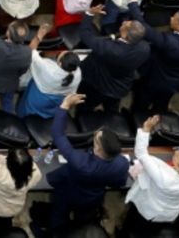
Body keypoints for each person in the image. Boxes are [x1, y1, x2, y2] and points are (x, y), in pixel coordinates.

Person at [47, 94, 130, 233]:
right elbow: (119, 183)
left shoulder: (80, 162)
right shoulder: (122, 163)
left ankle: (56, 231)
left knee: (58, 214)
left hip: (67, 193)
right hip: (93, 198)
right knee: (84, 217)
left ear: (98, 147)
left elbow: (58, 134)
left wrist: (65, 106)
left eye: (96, 138)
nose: (96, 133)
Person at [123, 114, 179, 233]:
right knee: (152, 231)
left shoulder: (164, 177)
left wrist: (146, 129)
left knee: (135, 226)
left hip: (148, 209)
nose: (178, 151)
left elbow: (141, 153)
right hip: (168, 214)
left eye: (177, 156)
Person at [127, 0, 179, 115]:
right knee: (160, 107)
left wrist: (133, 1)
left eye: (174, 18)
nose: (171, 18)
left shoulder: (168, 41)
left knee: (140, 106)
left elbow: (144, 27)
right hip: (174, 83)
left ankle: (135, 121)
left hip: (152, 80)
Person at [76, 7, 151, 112]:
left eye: (126, 24)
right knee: (111, 109)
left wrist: (89, 13)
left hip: (98, 86)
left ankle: (82, 122)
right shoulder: (145, 47)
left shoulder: (108, 48)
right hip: (120, 88)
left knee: (85, 107)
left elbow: (85, 34)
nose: (124, 22)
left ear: (125, 34)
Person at [16, 26, 81, 118]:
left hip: (40, 96)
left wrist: (38, 36)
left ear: (60, 63)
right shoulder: (78, 73)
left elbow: (30, 51)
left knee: (27, 112)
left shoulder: (47, 68)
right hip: (58, 99)